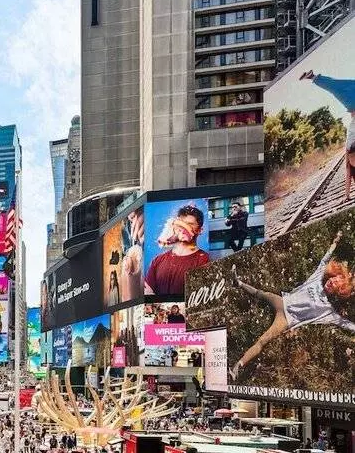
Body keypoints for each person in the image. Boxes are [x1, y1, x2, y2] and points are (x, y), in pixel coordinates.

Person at [229, 230, 355, 380]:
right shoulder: (316, 279)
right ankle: (239, 283)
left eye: (334, 285)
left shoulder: (327, 310)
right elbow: (324, 260)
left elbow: (344, 323)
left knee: (262, 341)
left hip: (286, 319)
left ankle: (238, 366)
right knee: (262, 293)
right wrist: (335, 242)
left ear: (336, 292)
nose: (330, 282)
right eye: (332, 279)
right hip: (283, 301)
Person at [300, 70, 355, 200]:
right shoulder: (350, 161)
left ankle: (313, 77)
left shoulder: (350, 162)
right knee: (338, 88)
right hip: (352, 108)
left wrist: (346, 195)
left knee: (337, 88)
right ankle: (313, 77)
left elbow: (348, 174)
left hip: (352, 108)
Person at [145, 205, 210, 295]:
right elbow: (148, 292)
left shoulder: (205, 260)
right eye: (181, 224)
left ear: (200, 230)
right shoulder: (157, 260)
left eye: (190, 224)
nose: (184, 228)